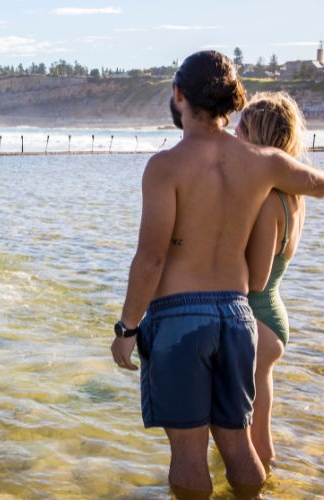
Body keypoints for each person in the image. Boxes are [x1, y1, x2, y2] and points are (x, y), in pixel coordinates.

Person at [110, 51, 324, 499]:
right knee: (239, 448)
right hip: (238, 316)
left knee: (188, 458)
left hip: (179, 322)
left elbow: (149, 261)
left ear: (179, 96)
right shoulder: (264, 161)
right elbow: (319, 184)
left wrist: (127, 328)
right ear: (231, 101)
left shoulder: (164, 167)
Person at [237, 92, 308, 472]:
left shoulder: (267, 201)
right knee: (256, 433)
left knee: (253, 442)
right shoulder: (293, 197)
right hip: (273, 318)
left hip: (258, 320)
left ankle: (257, 491)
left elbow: (258, 279)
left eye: (241, 127)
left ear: (257, 136)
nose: (234, 133)